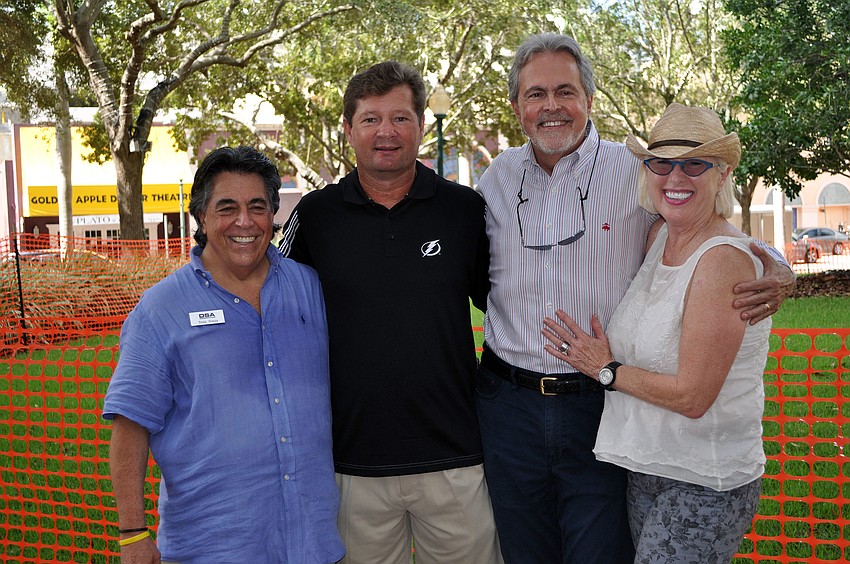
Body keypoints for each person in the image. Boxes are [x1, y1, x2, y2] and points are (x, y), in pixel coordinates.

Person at [475, 33, 795, 564]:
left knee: (600, 551)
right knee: (523, 551)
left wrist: (778, 267)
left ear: (588, 99)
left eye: (565, 91)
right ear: (516, 107)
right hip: (509, 406)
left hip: (601, 405)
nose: (551, 106)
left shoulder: (635, 172)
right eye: (536, 94)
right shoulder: (497, 179)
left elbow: (707, 229)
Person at [278, 61, 499, 563]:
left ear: (420, 125)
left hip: (456, 457)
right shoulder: (314, 216)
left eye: (400, 118)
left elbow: (510, 304)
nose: (386, 132)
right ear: (348, 129)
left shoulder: (465, 211)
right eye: (371, 119)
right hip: (351, 463)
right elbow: (268, 302)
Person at [542, 103, 771, 562]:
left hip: (704, 479)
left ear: (722, 175)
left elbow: (693, 396)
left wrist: (605, 369)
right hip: (648, 468)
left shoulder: (722, 260)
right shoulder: (659, 237)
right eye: (661, 164)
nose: (675, 178)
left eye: (694, 164)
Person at [103, 146, 344, 564]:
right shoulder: (161, 309)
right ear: (201, 215)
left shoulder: (310, 288)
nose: (244, 222)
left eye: (257, 207)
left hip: (314, 543)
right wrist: (132, 534)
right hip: (211, 547)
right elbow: (130, 426)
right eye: (227, 208)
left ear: (273, 214)